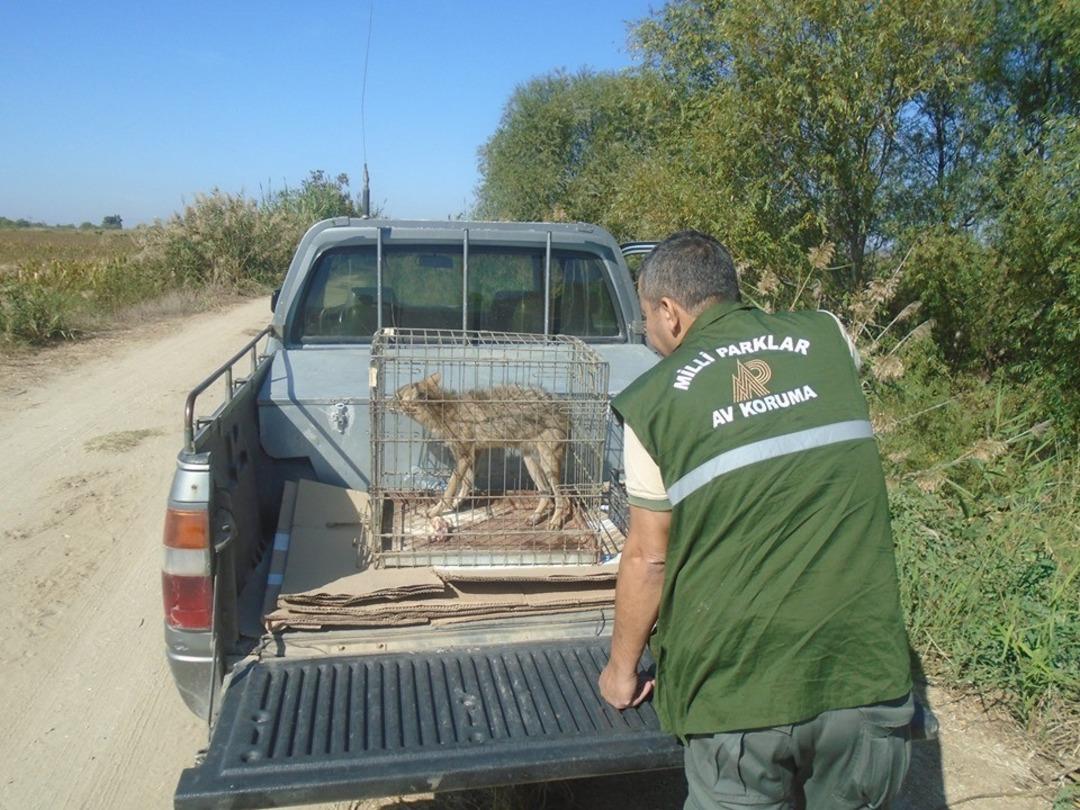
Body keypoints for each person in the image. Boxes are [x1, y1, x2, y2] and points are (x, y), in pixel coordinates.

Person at [598, 231, 913, 809]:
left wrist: (621, 671)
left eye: (645, 317)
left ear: (670, 312)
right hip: (862, 676)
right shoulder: (830, 337)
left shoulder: (654, 402)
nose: (646, 332)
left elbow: (648, 557)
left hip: (736, 694)